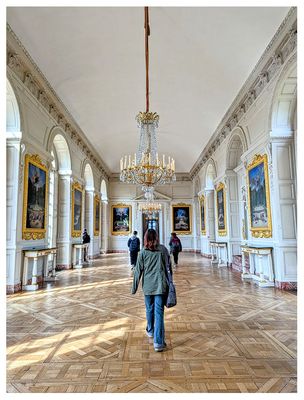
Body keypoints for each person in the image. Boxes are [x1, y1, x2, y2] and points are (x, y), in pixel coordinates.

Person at [131, 229, 171, 352]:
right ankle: (158, 343)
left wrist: (134, 287)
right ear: (157, 237)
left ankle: (150, 330)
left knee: (149, 309)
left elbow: (137, 271)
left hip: (148, 286)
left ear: (145, 238)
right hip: (160, 285)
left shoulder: (143, 252)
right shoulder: (163, 250)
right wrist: (170, 283)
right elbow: (168, 268)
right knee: (159, 313)